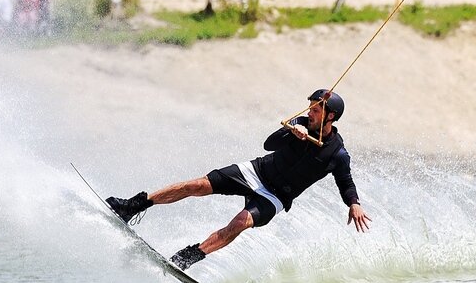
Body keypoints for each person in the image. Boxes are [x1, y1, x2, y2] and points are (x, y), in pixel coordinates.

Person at [107, 89, 372, 270]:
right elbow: (268, 144)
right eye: (311, 107)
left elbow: (345, 181)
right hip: (255, 172)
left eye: (316, 110)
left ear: (331, 116)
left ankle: (188, 257)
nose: (310, 112)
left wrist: (354, 203)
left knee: (239, 223)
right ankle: (132, 206)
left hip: (275, 196)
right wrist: (293, 132)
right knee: (196, 185)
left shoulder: (337, 152)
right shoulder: (300, 124)